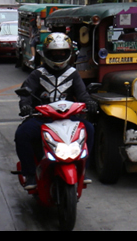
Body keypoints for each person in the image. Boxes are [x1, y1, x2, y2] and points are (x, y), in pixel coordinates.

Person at [14, 32, 96, 188]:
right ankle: (30, 174)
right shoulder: (37, 74)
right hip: (41, 118)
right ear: (46, 53)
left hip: (68, 118)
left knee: (89, 129)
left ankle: (83, 169)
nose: (58, 56)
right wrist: (25, 105)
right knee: (22, 134)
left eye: (62, 53)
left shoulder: (73, 74)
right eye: (54, 53)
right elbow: (26, 93)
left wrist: (90, 103)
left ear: (68, 53)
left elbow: (83, 94)